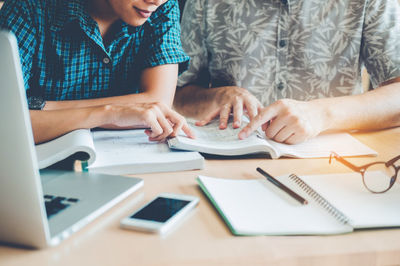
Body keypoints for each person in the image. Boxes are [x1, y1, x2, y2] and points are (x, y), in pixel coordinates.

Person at [174, 0, 400, 144]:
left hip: (334, 157)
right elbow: (178, 94)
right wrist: (217, 97)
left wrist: (322, 114)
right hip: (233, 154)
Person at [0, 0, 194, 144]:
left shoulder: (162, 9)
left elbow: (157, 102)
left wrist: (41, 108)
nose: (156, 1)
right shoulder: (28, 8)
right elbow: (6, 122)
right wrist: (109, 114)